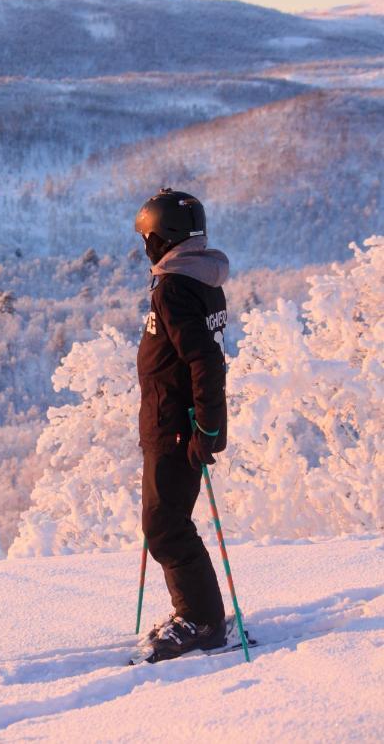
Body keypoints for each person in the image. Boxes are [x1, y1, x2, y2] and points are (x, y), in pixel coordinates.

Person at [135, 187, 229, 661]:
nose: (145, 246)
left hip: (176, 424)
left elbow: (205, 361)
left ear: (163, 237)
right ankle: (194, 611)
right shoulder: (200, 278)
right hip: (173, 420)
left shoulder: (175, 286)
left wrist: (206, 428)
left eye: (149, 236)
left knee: (165, 525)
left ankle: (203, 620)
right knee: (166, 521)